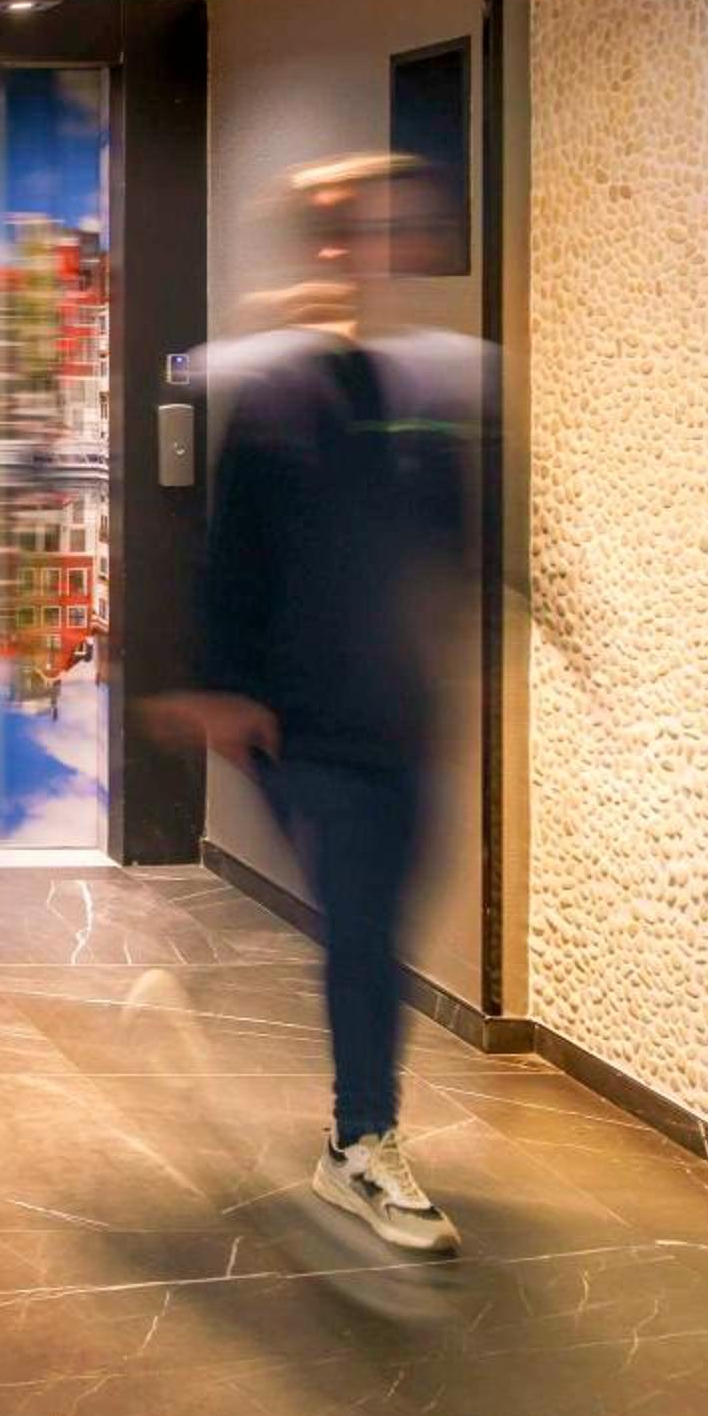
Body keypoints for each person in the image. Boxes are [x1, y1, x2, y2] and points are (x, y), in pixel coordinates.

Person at [159, 153, 480, 1255]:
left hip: (401, 716)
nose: (387, 247)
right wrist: (222, 686)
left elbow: (451, 540)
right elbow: (230, 552)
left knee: (382, 919)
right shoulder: (281, 393)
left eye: (400, 226)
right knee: (363, 921)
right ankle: (362, 1141)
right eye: (365, 227)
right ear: (332, 244)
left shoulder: (431, 387)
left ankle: (360, 1130)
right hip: (301, 722)